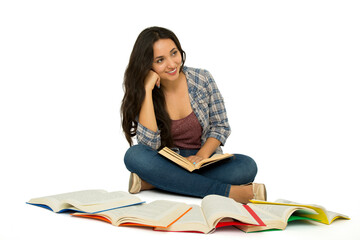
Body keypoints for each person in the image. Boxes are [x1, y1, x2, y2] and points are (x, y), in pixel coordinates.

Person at [121, 26, 266, 203]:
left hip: (205, 162)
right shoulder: (143, 92)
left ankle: (155, 182)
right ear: (147, 65)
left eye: (174, 53)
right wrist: (146, 90)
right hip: (166, 162)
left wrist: (202, 156)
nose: (172, 64)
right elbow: (148, 146)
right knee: (134, 155)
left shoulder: (202, 78)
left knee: (246, 166)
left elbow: (220, 126)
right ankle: (228, 192)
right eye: (160, 60)